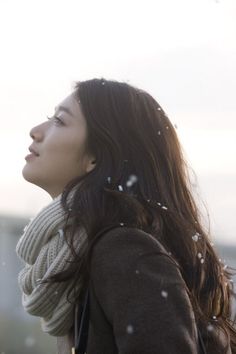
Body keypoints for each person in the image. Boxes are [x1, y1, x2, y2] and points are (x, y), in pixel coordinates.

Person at [16, 78, 236, 354]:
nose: (36, 131)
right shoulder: (85, 252)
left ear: (96, 157)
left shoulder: (124, 250)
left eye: (60, 121)